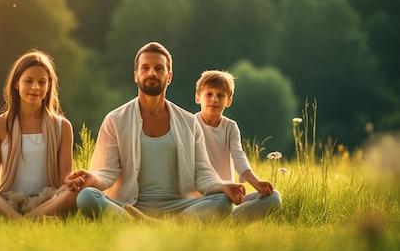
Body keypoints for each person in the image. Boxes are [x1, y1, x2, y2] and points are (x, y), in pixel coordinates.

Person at [73, 42, 245, 223]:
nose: (152, 73)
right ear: (136, 75)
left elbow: (202, 172)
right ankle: (166, 226)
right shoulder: (115, 119)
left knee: (223, 202)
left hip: (178, 205)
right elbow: (106, 172)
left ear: (169, 76)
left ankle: (151, 225)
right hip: (131, 205)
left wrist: (222, 186)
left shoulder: (189, 122)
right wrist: (91, 178)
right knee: (86, 197)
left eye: (159, 68)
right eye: (145, 68)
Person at [0, 49, 80, 220]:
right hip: (8, 199)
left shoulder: (62, 126)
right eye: (29, 81)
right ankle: (23, 221)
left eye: (42, 82)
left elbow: (64, 176)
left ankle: (19, 220)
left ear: (49, 86)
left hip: (47, 200)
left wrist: (72, 181)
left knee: (75, 194)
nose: (35, 87)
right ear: (16, 83)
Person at [194, 70, 282, 222]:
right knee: (219, 201)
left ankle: (229, 221)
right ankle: (220, 219)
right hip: (200, 198)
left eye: (220, 95)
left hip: (228, 198)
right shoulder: (190, 125)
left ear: (228, 101)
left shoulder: (230, 127)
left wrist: (257, 183)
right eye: (209, 94)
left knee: (274, 197)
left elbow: (239, 157)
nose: (214, 99)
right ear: (198, 97)